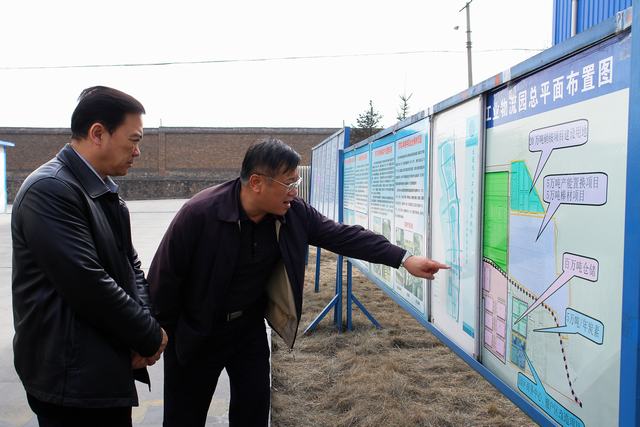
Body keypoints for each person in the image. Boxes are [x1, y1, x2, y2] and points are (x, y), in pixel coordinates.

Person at [148, 137, 448, 427]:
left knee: (253, 413)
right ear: (256, 182)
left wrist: (404, 258)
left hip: (247, 331)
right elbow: (164, 279)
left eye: (296, 182)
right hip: (197, 332)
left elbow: (343, 236)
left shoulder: (293, 214)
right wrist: (155, 337)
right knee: (184, 418)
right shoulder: (200, 214)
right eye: (288, 183)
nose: (294, 191)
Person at [11, 86, 168, 427]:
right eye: (133, 140)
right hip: (70, 380)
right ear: (98, 133)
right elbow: (88, 283)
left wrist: (145, 328)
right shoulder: (49, 190)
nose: (138, 151)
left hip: (101, 370)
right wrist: (149, 335)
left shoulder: (103, 190)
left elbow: (130, 265)